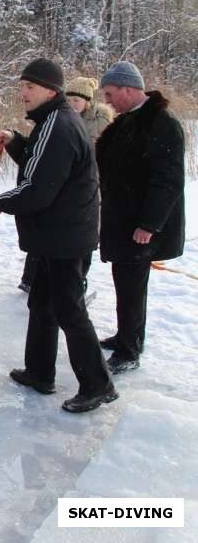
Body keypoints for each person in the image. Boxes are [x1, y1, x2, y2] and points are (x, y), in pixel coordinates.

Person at [0, 58, 116, 413]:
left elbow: (39, 189)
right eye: (22, 86)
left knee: (69, 310)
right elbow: (40, 163)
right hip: (55, 234)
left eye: (31, 87)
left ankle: (98, 385)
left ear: (51, 91)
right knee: (41, 303)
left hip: (66, 237)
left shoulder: (58, 127)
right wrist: (14, 142)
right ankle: (40, 372)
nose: (23, 93)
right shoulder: (51, 122)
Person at [96, 61, 186, 374]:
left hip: (140, 224)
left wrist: (149, 224)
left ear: (128, 89)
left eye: (110, 93)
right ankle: (126, 336)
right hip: (123, 219)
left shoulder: (162, 123)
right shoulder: (128, 120)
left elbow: (169, 179)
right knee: (125, 282)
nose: (107, 100)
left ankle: (128, 351)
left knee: (132, 286)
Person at [19, 77, 115, 292]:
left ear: (87, 102)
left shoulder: (99, 123)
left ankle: (78, 279)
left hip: (89, 184)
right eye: (69, 99)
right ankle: (31, 277)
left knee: (80, 235)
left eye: (76, 100)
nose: (72, 104)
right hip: (64, 183)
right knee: (48, 228)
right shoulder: (60, 120)